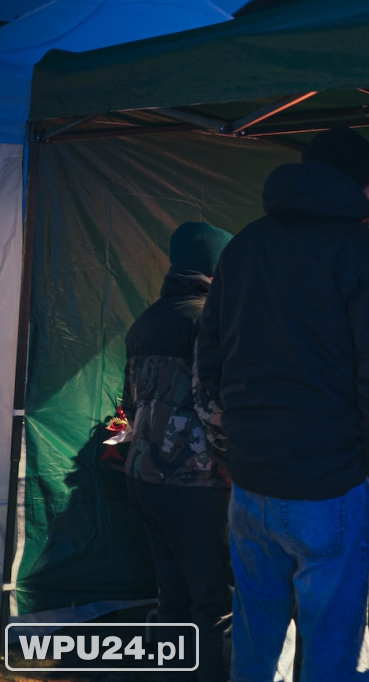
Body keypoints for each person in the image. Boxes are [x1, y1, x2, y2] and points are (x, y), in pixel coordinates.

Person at [196, 128, 369, 681]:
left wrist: (233, 443)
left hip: (253, 478)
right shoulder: (366, 255)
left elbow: (210, 356)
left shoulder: (244, 246)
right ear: (364, 184)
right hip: (330, 482)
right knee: (332, 644)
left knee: (256, 637)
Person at [121, 220, 234, 682]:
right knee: (214, 604)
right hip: (197, 481)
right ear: (215, 269)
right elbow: (216, 407)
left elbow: (130, 405)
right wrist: (233, 464)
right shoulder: (208, 321)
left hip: (143, 476)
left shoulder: (145, 321)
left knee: (173, 598)